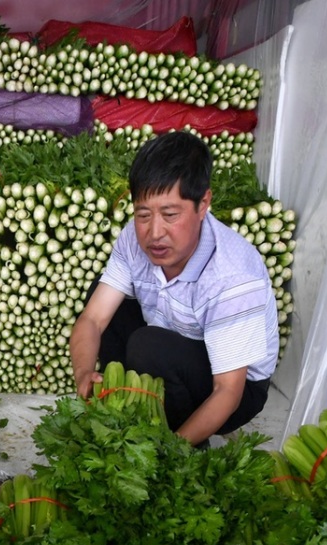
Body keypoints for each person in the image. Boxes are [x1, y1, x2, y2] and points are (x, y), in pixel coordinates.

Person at [69, 130, 279, 446]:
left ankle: (186, 438)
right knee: (104, 301)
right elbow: (93, 319)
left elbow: (228, 392)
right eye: (143, 214)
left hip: (238, 387)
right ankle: (125, 409)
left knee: (149, 346)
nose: (154, 233)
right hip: (172, 340)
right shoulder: (132, 239)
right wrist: (84, 373)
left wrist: (172, 452)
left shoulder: (232, 274)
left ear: (203, 203)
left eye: (170, 215)